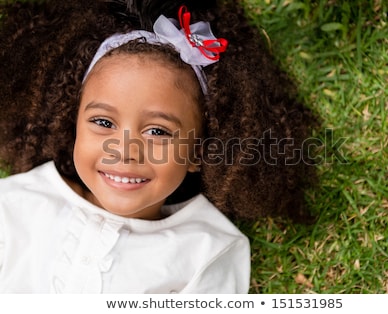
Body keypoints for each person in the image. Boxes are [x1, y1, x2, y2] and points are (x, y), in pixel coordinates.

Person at [0, 0, 317, 293]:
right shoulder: (14, 205)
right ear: (73, 124)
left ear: (198, 151)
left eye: (157, 131)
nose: (125, 150)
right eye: (104, 122)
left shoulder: (208, 250)